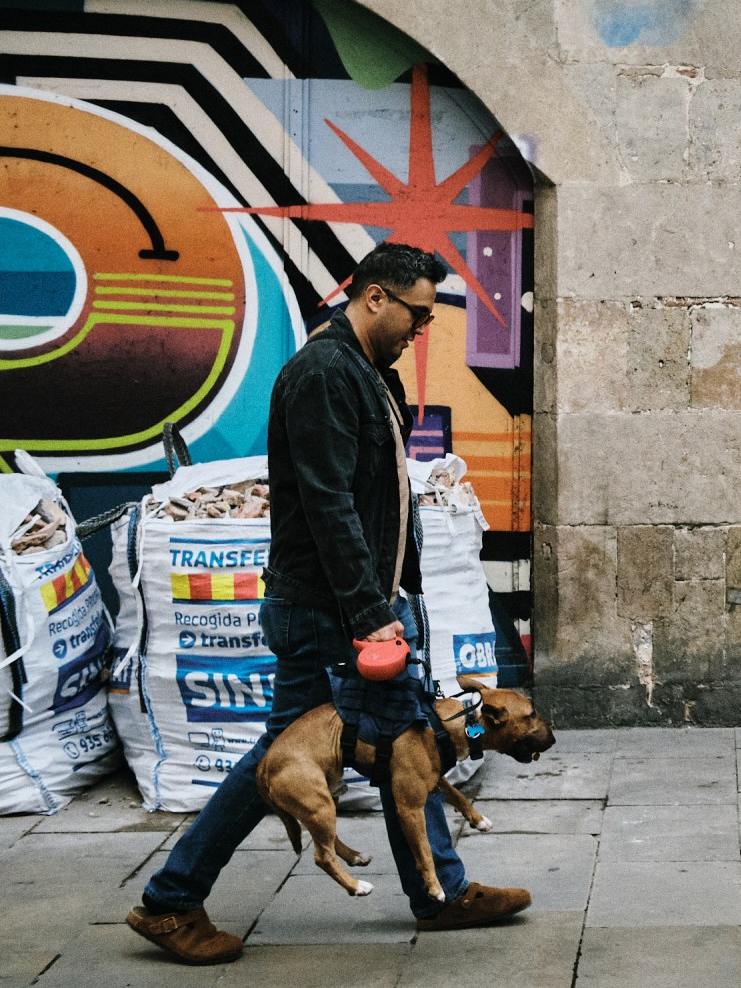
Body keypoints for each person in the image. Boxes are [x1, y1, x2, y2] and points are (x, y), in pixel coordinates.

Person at [127, 242, 530, 964]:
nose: (421, 329)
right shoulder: (322, 375)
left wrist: (397, 595)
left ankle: (441, 893)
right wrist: (371, 610)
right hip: (330, 612)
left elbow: (383, 497)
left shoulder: (368, 373)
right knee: (280, 760)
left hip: (364, 604)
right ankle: (169, 901)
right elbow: (328, 506)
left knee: (412, 740)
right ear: (375, 296)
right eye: (417, 313)